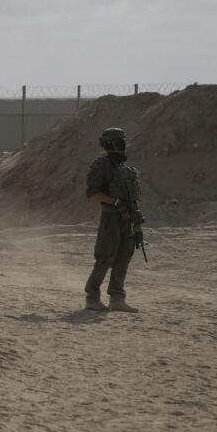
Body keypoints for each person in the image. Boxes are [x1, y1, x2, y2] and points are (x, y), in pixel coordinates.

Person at [84, 127, 141, 313]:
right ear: (111, 144)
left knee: (124, 257)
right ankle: (92, 298)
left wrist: (133, 213)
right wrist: (116, 203)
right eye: (120, 141)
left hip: (127, 218)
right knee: (105, 258)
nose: (123, 144)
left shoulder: (122, 167)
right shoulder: (102, 165)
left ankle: (117, 298)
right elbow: (92, 193)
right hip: (111, 218)